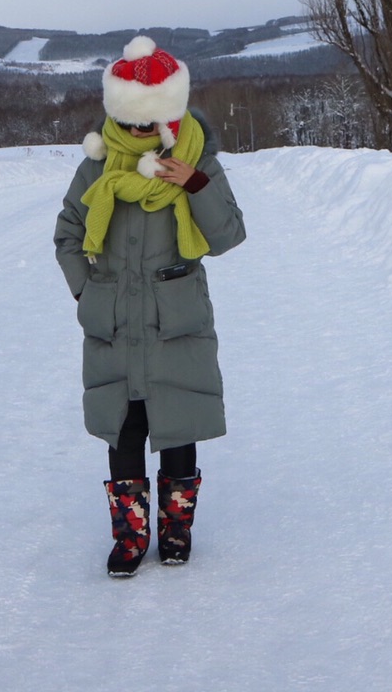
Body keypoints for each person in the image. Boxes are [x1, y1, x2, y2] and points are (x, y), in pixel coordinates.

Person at [53, 36, 247, 576]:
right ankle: (131, 536)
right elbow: (68, 234)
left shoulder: (196, 160)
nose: (143, 135)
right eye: (134, 124)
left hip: (176, 312)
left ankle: (176, 531)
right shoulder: (96, 166)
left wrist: (195, 184)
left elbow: (229, 235)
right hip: (115, 314)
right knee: (125, 426)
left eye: (153, 124)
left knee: (177, 421)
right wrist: (85, 291)